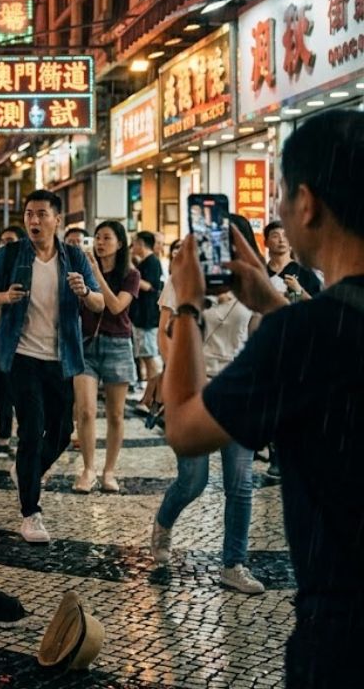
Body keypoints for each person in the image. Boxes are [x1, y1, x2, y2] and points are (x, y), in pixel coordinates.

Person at [163, 110, 364, 688]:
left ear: (307, 202)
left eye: (280, 195)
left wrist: (187, 304)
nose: (276, 212)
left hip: (343, 635)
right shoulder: (303, 333)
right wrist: (273, 306)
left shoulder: (302, 339)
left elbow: (184, 427)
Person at [0, 190, 103, 544]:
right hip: (21, 357)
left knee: (63, 431)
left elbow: (98, 304)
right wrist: (4, 297)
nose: (34, 221)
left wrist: (83, 292)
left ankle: (28, 472)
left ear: (57, 220)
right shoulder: (10, 254)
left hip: (61, 359)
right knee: (31, 428)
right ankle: (31, 513)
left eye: (42, 214)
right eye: (29, 214)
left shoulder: (74, 256)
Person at [153, 213, 265, 595]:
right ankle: (164, 522)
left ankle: (233, 563)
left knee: (241, 483)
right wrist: (175, 373)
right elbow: (164, 334)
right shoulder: (184, 279)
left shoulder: (252, 285)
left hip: (238, 390)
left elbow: (254, 338)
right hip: (194, 390)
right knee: (193, 481)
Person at [72, 220, 139, 493]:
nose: (100, 243)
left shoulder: (130, 275)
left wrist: (97, 275)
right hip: (86, 344)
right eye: (97, 237)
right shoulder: (84, 269)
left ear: (120, 243)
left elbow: (115, 306)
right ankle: (88, 470)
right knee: (86, 411)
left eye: (106, 238)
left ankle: (109, 471)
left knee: (115, 415)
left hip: (117, 345)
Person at [0, 225, 26, 457]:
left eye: (9, 240)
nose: (4, 245)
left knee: (21, 394)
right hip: (1, 339)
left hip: (24, 342)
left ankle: (25, 437)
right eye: (2, 240)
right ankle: (3, 437)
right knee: (1, 390)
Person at [130, 231, 165, 415]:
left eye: (135, 243)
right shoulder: (145, 262)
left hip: (147, 318)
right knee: (146, 357)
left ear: (142, 244)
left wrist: (131, 271)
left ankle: (154, 398)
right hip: (141, 317)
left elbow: (149, 286)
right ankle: (148, 397)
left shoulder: (152, 262)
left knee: (151, 359)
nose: (133, 246)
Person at [264, 220, 322, 301]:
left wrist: (299, 292)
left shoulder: (305, 273)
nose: (281, 240)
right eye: (275, 236)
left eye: (285, 235)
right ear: (266, 243)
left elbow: (319, 308)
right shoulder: (261, 273)